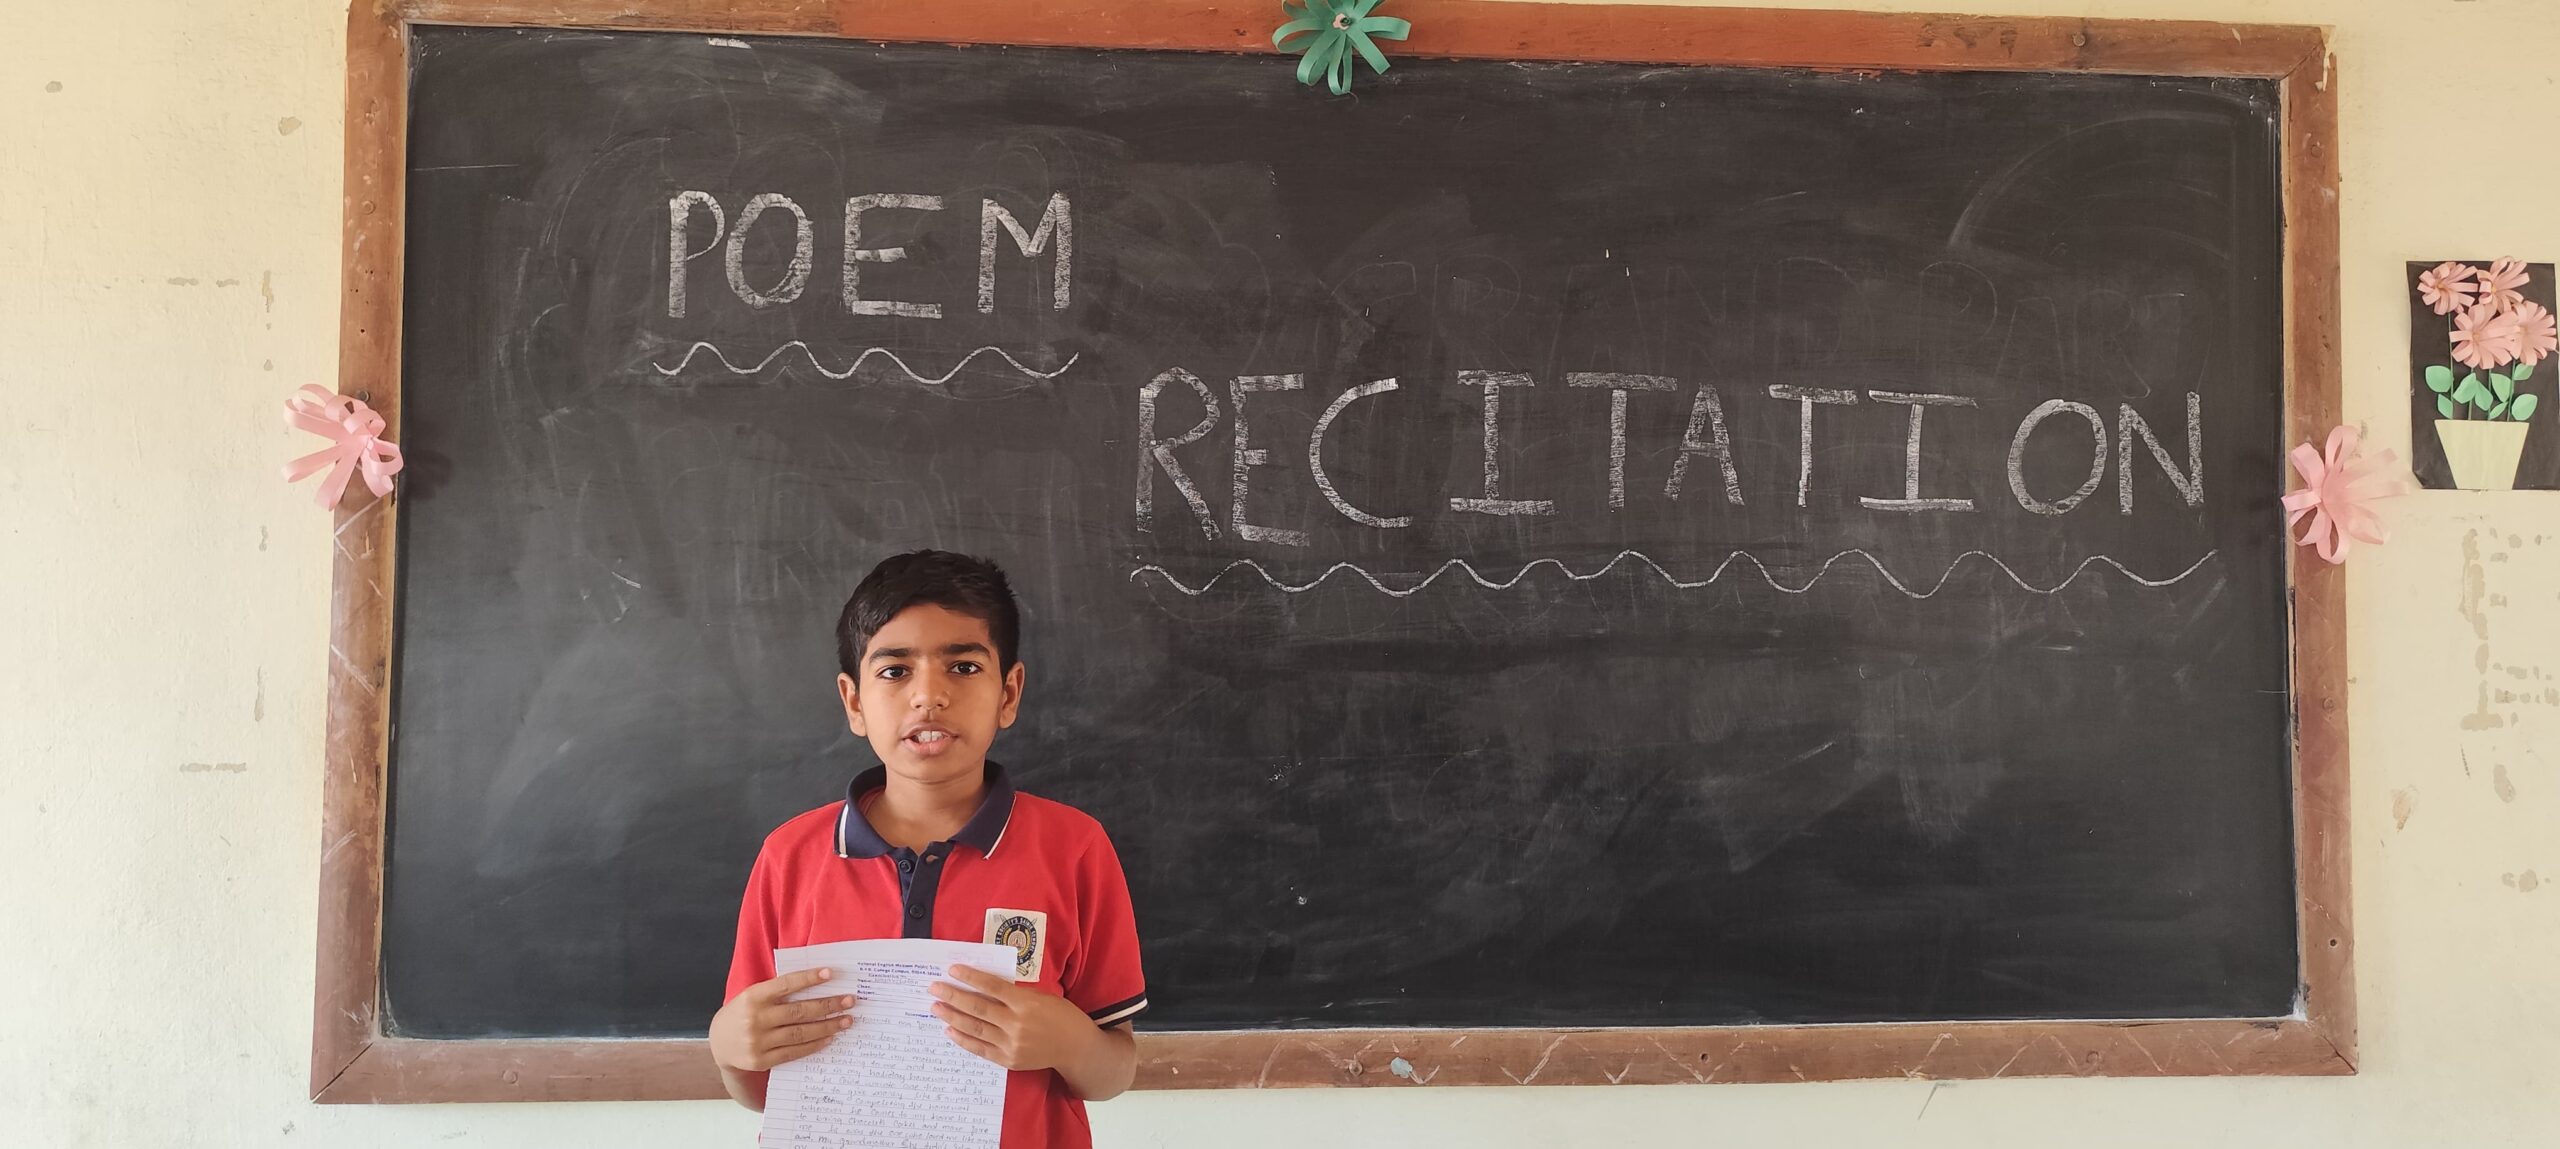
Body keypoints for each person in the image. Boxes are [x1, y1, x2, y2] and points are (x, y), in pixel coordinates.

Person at [710, 550, 1147, 1146]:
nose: (929, 696)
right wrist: (728, 1050)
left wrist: (1069, 1041)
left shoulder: (1074, 848)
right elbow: (760, 1087)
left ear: (1009, 693)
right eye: (895, 671)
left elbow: (1113, 1070)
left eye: (963, 667)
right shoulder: (790, 856)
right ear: (854, 702)